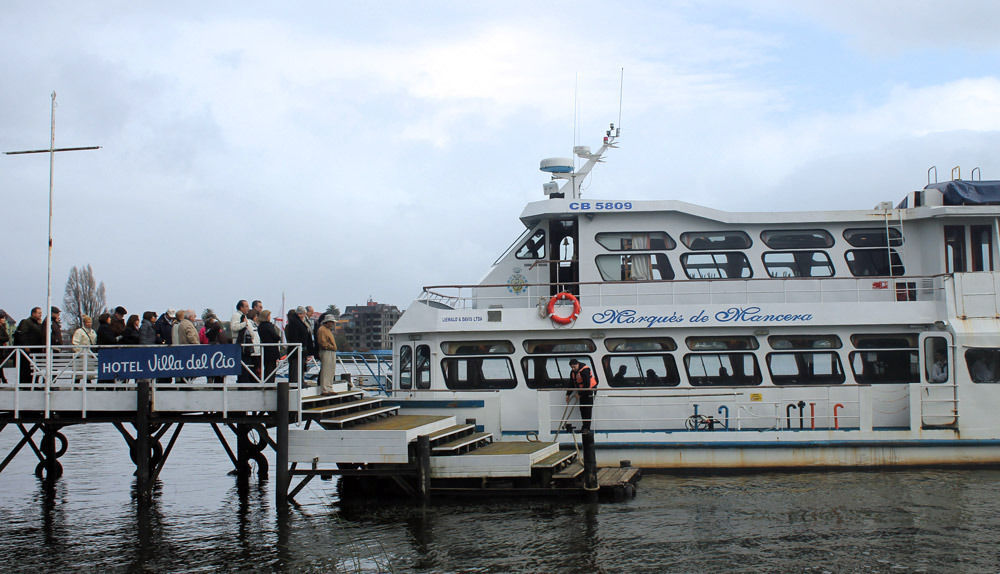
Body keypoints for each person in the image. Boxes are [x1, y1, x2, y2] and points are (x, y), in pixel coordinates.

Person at [13, 307, 45, 386]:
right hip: (29, 351)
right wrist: (25, 346)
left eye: (41, 313)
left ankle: (34, 383)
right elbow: (22, 334)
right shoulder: (26, 322)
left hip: (37, 351)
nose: (40, 315)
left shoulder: (38, 324)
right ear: (33, 313)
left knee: (35, 368)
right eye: (39, 313)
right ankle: (25, 385)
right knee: (26, 368)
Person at [566, 358, 597, 431]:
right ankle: (584, 427)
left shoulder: (585, 370)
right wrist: (568, 394)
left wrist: (579, 394)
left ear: (578, 364)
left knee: (587, 409)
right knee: (582, 409)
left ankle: (587, 428)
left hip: (589, 391)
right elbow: (571, 383)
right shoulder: (573, 372)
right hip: (582, 392)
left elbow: (587, 385)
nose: (573, 369)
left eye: (574, 367)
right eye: (572, 367)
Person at [257, 310, 282, 384]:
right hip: (272, 349)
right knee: (271, 368)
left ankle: (267, 383)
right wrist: (278, 337)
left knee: (267, 368)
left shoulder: (260, 326)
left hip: (265, 349)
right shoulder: (268, 326)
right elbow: (275, 336)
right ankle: (270, 383)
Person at [71, 315, 98, 384]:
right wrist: (79, 352)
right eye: (88, 322)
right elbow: (75, 342)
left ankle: (88, 383)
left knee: (89, 371)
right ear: (84, 323)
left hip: (90, 354)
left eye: (90, 322)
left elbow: (94, 342)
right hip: (81, 355)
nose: (89, 324)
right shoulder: (79, 331)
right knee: (79, 371)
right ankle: (76, 384)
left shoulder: (93, 332)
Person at [317, 316, 338, 394]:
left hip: (331, 351)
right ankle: (325, 388)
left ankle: (329, 387)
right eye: (331, 322)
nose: (333, 324)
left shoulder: (328, 330)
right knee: (326, 370)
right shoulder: (322, 329)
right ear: (327, 322)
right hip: (326, 351)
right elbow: (322, 342)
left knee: (331, 370)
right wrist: (331, 346)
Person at [0, 312, 10, 384]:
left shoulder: (2, 327)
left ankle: (3, 379)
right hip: (0, 349)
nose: (4, 319)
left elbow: (7, 337)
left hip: (1, 349)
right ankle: (3, 379)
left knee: (1, 364)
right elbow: (6, 337)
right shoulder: (1, 327)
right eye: (2, 318)